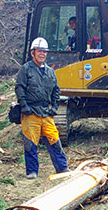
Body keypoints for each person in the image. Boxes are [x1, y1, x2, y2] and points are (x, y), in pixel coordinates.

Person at [16, 37, 69, 179]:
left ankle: (62, 168)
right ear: (33, 53)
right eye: (39, 51)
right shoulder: (26, 69)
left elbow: (56, 91)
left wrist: (55, 107)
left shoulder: (50, 72)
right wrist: (24, 106)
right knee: (30, 143)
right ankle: (32, 171)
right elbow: (19, 89)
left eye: (44, 52)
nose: (42, 54)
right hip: (30, 112)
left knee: (54, 140)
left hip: (46, 112)